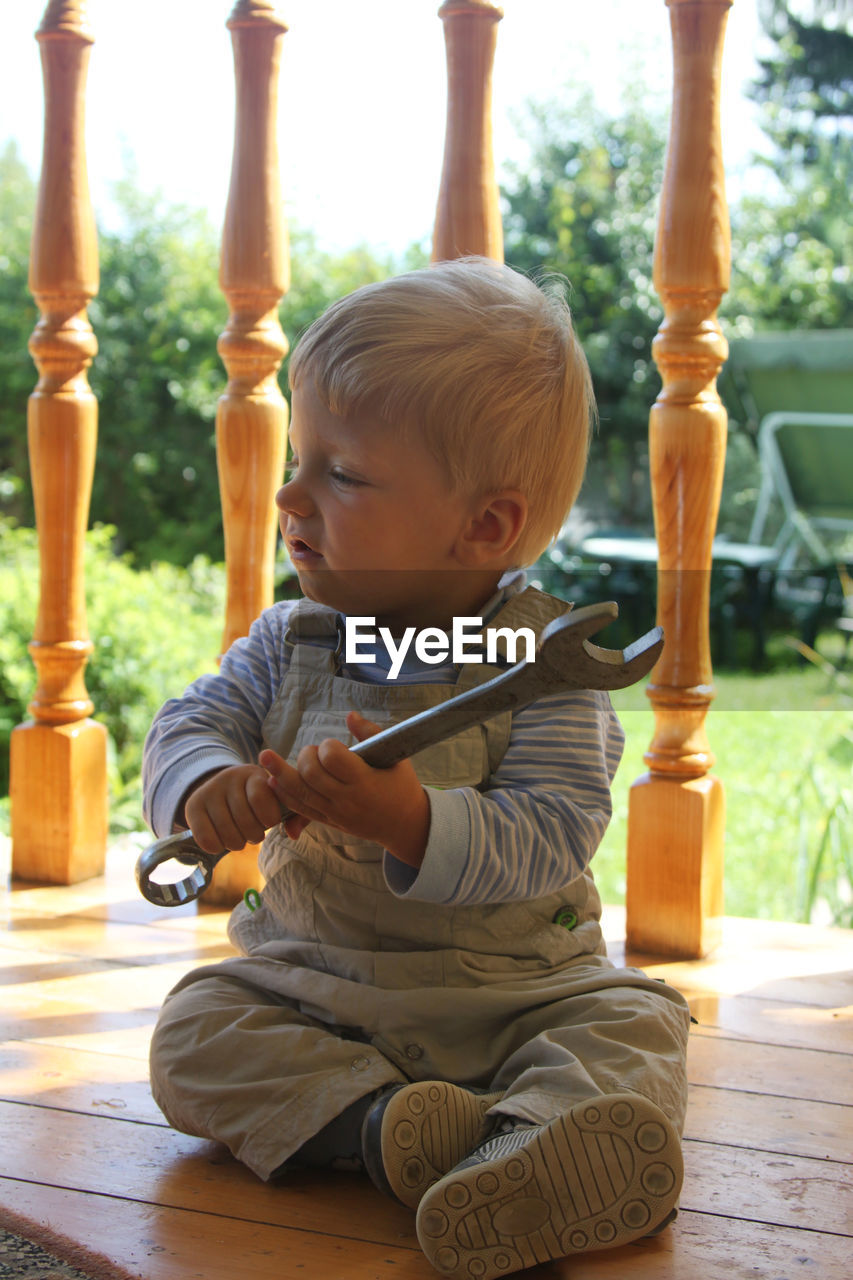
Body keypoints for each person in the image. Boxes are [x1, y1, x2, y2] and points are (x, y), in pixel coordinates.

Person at [143, 257, 690, 1280]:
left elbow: (555, 828)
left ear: (482, 525)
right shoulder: (287, 638)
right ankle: (403, 1130)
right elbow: (190, 719)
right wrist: (202, 781)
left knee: (633, 1022)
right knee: (194, 1032)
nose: (292, 494)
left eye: (341, 473)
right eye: (299, 459)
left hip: (518, 993)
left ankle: (537, 1138)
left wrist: (411, 822)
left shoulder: (545, 664)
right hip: (314, 986)